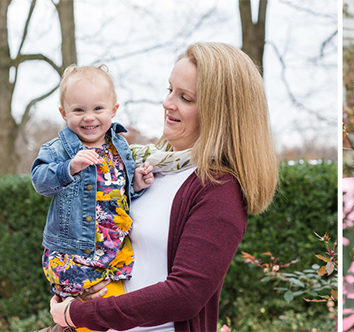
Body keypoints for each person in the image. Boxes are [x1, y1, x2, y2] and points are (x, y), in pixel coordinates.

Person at [47, 42, 279, 332]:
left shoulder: (219, 189)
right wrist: (73, 289)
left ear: (219, 111)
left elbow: (185, 295)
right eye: (170, 90)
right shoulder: (147, 166)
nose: (168, 103)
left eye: (186, 97)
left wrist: (84, 313)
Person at [30, 65, 154, 303]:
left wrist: (136, 185)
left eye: (98, 108)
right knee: (81, 312)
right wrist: (69, 168)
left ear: (113, 110)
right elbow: (39, 181)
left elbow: (118, 194)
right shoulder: (58, 149)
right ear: (64, 113)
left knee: (113, 311)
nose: (89, 117)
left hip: (113, 251)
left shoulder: (120, 148)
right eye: (78, 110)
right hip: (74, 254)